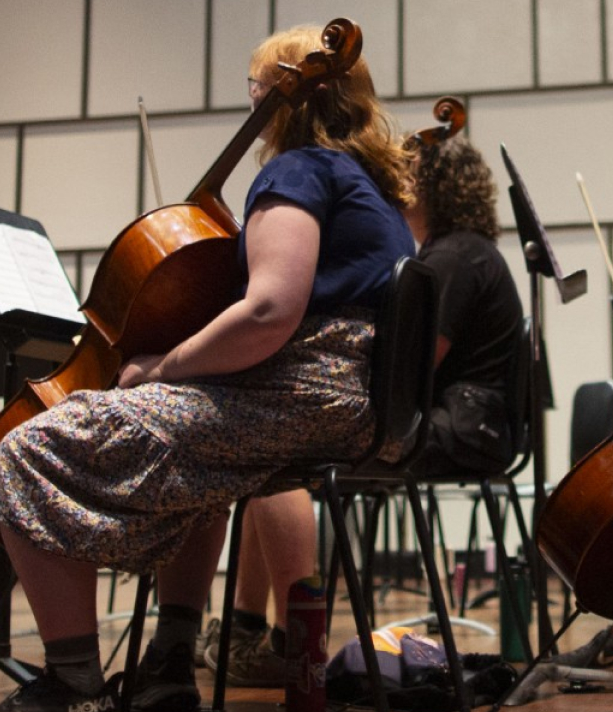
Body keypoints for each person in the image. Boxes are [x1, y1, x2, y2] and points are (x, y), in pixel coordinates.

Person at [0, 24, 416, 712]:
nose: (254, 101)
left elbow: (269, 312)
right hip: (346, 404)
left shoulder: (296, 172)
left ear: (278, 98)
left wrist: (165, 366)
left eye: (257, 89)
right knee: (204, 469)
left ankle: (72, 685)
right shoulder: (375, 191)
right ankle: (171, 660)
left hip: (299, 394)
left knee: (28, 448)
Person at [203, 131, 525, 688]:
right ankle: (247, 631)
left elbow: (412, 365)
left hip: (461, 426)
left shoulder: (452, 256)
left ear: (429, 187)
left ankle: (280, 641)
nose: (394, 186)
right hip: (471, 423)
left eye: (406, 177)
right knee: (277, 449)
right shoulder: (464, 251)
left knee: (282, 449)